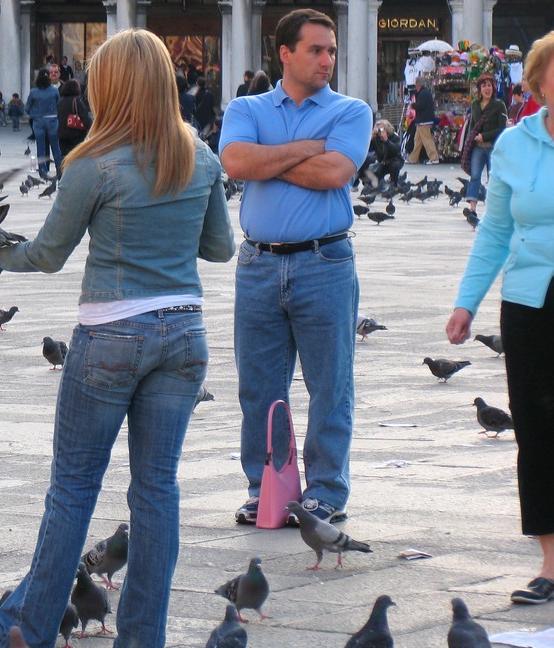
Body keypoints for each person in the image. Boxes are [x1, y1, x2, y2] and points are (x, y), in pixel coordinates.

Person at [0, 28, 234, 648]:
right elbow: (221, 249)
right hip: (184, 336)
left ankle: (26, 627)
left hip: (111, 335)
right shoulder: (199, 155)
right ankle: (143, 637)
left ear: (111, 88)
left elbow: (46, 255)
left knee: (72, 488)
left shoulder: (91, 164)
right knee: (156, 491)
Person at [219, 8, 371, 526]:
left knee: (330, 383)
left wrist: (272, 156)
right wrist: (306, 148)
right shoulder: (246, 106)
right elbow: (236, 163)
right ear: (285, 53)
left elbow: (335, 172)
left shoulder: (352, 111)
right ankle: (268, 487)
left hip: (324, 260)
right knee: (259, 386)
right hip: (258, 263)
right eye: (316, 49)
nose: (327, 59)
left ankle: (325, 490)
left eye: (331, 50)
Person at [446, 30, 554, 606]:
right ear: (538, 83)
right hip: (531, 300)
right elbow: (495, 231)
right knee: (535, 429)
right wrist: (467, 303)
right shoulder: (514, 144)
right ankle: (550, 561)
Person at [463, 75, 508, 213]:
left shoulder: (499, 105)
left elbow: (502, 128)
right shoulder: (475, 105)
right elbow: (473, 125)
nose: (487, 89)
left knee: (493, 177)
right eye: (484, 86)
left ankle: (495, 209)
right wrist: (470, 141)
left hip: (493, 147)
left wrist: (485, 136)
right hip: (478, 147)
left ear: (493, 88)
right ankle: (472, 208)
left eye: (489, 85)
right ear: (480, 90)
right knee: (475, 176)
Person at [26, 69, 61, 177]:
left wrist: (34, 113)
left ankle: (43, 170)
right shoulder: (54, 90)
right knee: (55, 146)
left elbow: (27, 108)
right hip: (52, 120)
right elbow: (59, 104)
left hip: (38, 121)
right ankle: (59, 169)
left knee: (40, 147)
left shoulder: (34, 91)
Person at [357, 119, 403, 187]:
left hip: (394, 161)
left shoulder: (394, 136)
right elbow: (367, 150)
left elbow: (396, 150)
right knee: (368, 181)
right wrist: (371, 138)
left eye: (381, 129)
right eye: (377, 129)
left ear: (387, 129)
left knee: (394, 166)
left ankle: (394, 184)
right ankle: (381, 184)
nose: (379, 131)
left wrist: (386, 140)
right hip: (381, 163)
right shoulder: (376, 138)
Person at [407, 75, 440, 164]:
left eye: (416, 83)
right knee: (417, 141)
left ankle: (434, 158)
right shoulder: (425, 92)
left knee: (427, 140)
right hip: (423, 120)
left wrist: (412, 105)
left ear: (418, 84)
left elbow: (420, 106)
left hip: (423, 120)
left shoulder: (422, 93)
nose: (415, 85)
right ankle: (412, 159)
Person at [56, 79, 91, 157]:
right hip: (76, 134)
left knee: (64, 157)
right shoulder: (77, 101)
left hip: (62, 134)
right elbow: (85, 118)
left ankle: (63, 169)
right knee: (76, 157)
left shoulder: (60, 102)